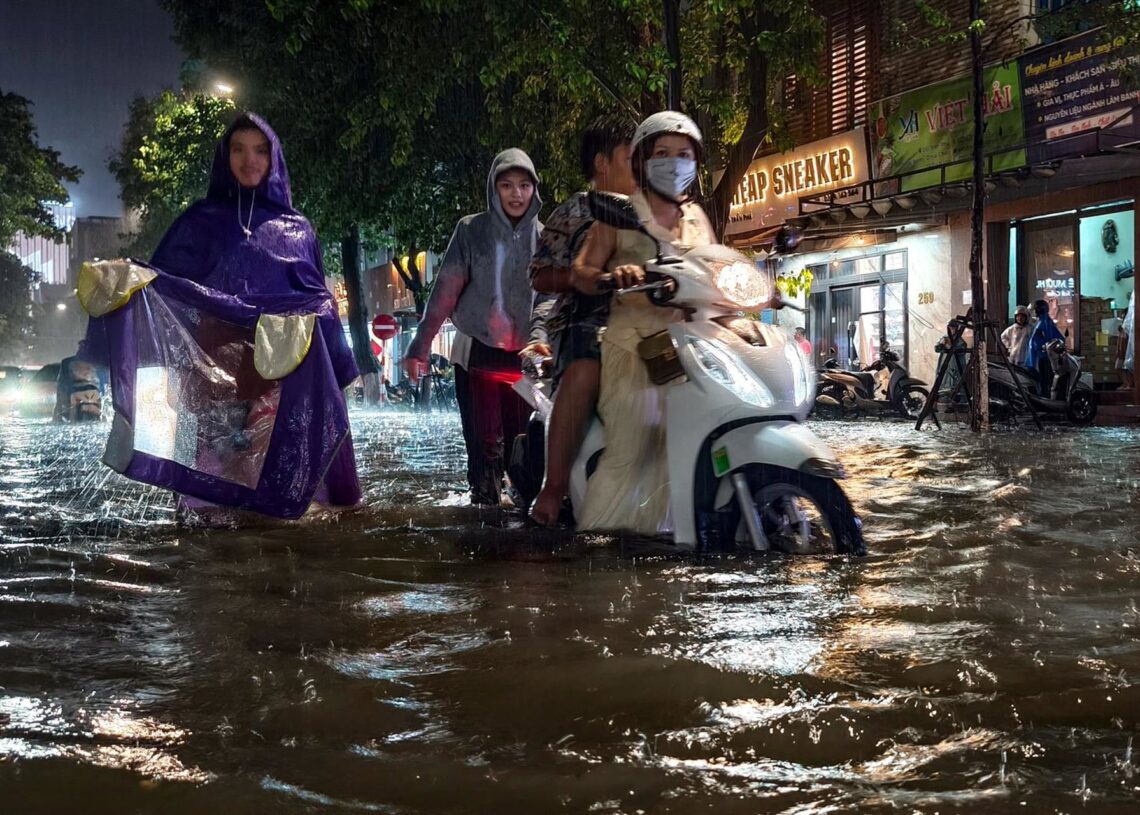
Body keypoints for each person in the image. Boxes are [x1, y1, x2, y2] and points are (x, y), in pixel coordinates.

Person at [82, 112, 362, 519]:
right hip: (213, 375)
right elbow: (164, 285)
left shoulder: (298, 229)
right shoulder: (198, 223)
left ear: (274, 158)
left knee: (278, 482)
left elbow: (318, 297)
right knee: (211, 489)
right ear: (224, 157)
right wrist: (127, 276)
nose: (250, 160)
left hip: (279, 380)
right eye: (238, 150)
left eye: (260, 151)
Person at [570, 111, 714, 535]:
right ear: (641, 163)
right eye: (662, 154)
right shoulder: (619, 214)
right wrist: (612, 277)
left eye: (683, 154)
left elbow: (715, 268)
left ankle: (673, 536)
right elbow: (581, 271)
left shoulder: (697, 219)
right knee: (631, 450)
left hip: (688, 349)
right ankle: (596, 540)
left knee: (683, 448)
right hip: (634, 345)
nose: (674, 163)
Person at [402, 149, 544, 505]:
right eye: (507, 185)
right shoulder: (471, 230)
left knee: (524, 445)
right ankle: (483, 522)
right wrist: (420, 344)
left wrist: (543, 339)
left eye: (524, 185)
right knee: (484, 446)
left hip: (525, 359)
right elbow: (444, 292)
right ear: (493, 190)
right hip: (476, 353)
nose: (516, 194)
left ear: (535, 190)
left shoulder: (546, 238)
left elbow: (550, 296)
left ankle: (523, 515)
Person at [520, 114, 638, 526]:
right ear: (603, 163)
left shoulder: (659, 209)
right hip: (586, 322)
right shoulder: (578, 208)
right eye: (630, 157)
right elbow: (539, 273)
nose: (641, 167)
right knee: (586, 370)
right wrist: (577, 277)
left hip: (646, 317)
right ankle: (552, 490)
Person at [1025, 298, 1064, 394]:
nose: (1032, 313)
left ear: (1039, 310)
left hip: (1042, 357)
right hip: (1038, 356)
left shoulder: (1045, 322)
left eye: (1033, 310)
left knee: (1043, 381)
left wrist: (1043, 346)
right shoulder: (1040, 321)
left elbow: (1053, 338)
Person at [1118, 289, 1135, 391]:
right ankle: (1127, 384)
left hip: (1126, 351)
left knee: (1126, 367)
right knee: (1125, 367)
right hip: (1125, 351)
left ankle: (1129, 384)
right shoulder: (1128, 324)